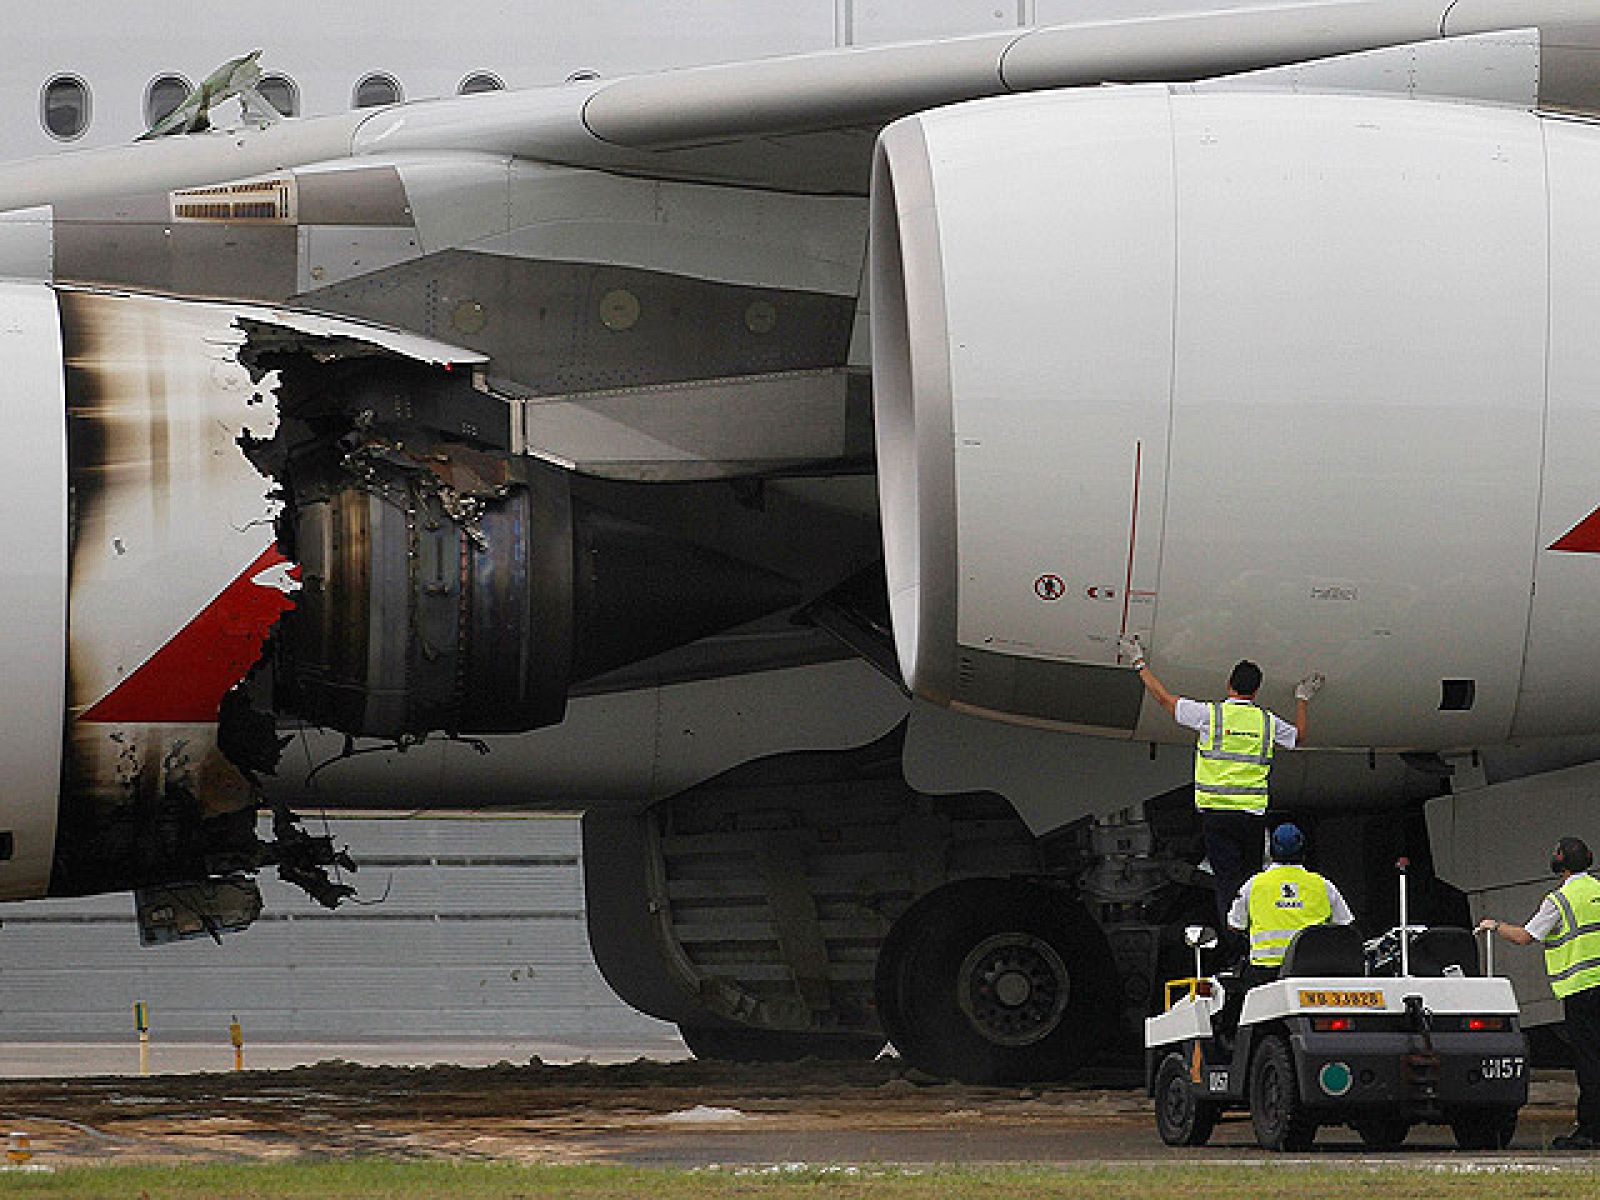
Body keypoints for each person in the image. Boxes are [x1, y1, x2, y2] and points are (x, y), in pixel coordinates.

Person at [1118, 632, 1323, 929]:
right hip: (1251, 817)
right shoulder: (1266, 722)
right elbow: (1299, 736)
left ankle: (1234, 934)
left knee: (1227, 881)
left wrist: (1138, 661)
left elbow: (1164, 699)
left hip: (1218, 816)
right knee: (1252, 881)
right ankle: (1255, 930)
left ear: (1229, 685)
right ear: (1256, 691)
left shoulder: (1211, 716)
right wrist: (1302, 699)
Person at [1477, 836, 1600, 1150]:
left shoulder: (1559, 900)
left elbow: (1525, 936)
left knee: (1590, 1061)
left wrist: (1495, 925)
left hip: (1582, 990)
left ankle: (1591, 1130)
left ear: (1560, 861)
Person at [1229, 822, 1356, 974]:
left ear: (1271, 850)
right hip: (1311, 969)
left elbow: (1235, 925)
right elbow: (1345, 926)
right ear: (1304, 851)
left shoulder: (1253, 884)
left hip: (1266, 970)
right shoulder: (1323, 885)